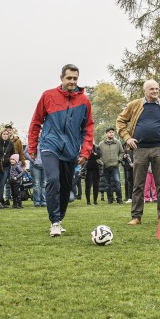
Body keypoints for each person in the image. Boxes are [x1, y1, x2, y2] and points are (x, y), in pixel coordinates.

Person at [28, 64, 94, 237]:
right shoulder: (48, 96)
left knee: (66, 187)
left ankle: (60, 218)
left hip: (71, 150)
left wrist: (85, 152)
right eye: (69, 78)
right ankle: (54, 222)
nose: (72, 81)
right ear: (61, 78)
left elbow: (88, 128)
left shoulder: (84, 101)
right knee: (53, 179)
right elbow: (36, 122)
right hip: (50, 145)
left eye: (75, 78)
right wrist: (33, 146)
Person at [116, 79, 160, 225]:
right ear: (145, 91)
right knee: (138, 185)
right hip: (139, 149)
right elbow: (120, 120)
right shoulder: (134, 105)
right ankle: (136, 217)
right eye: (152, 89)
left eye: (157, 89)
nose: (155, 91)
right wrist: (127, 137)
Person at [99, 127, 124, 204]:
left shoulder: (118, 142)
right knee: (107, 184)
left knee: (117, 182)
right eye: (109, 132)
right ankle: (110, 199)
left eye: (112, 132)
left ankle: (119, 199)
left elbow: (122, 152)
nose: (111, 133)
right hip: (105, 167)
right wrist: (101, 162)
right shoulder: (101, 144)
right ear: (106, 134)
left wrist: (119, 159)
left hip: (115, 166)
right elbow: (98, 155)